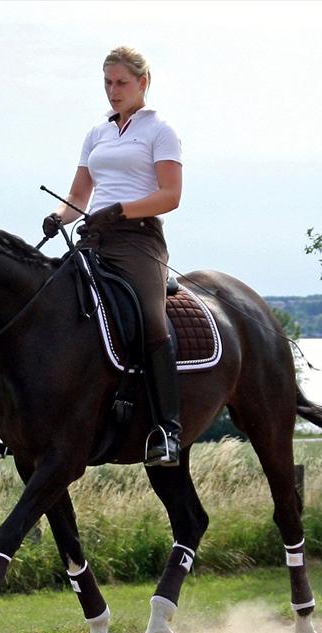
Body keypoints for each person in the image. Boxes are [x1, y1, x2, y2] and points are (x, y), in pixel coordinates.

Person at [43, 46, 184, 467]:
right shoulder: (97, 134)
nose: (113, 90)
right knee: (48, 302)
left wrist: (121, 210)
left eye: (121, 82)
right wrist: (58, 217)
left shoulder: (161, 131)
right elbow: (78, 197)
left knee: (150, 317)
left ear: (143, 82)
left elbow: (170, 196)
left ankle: (167, 430)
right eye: (107, 82)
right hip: (95, 236)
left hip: (139, 240)